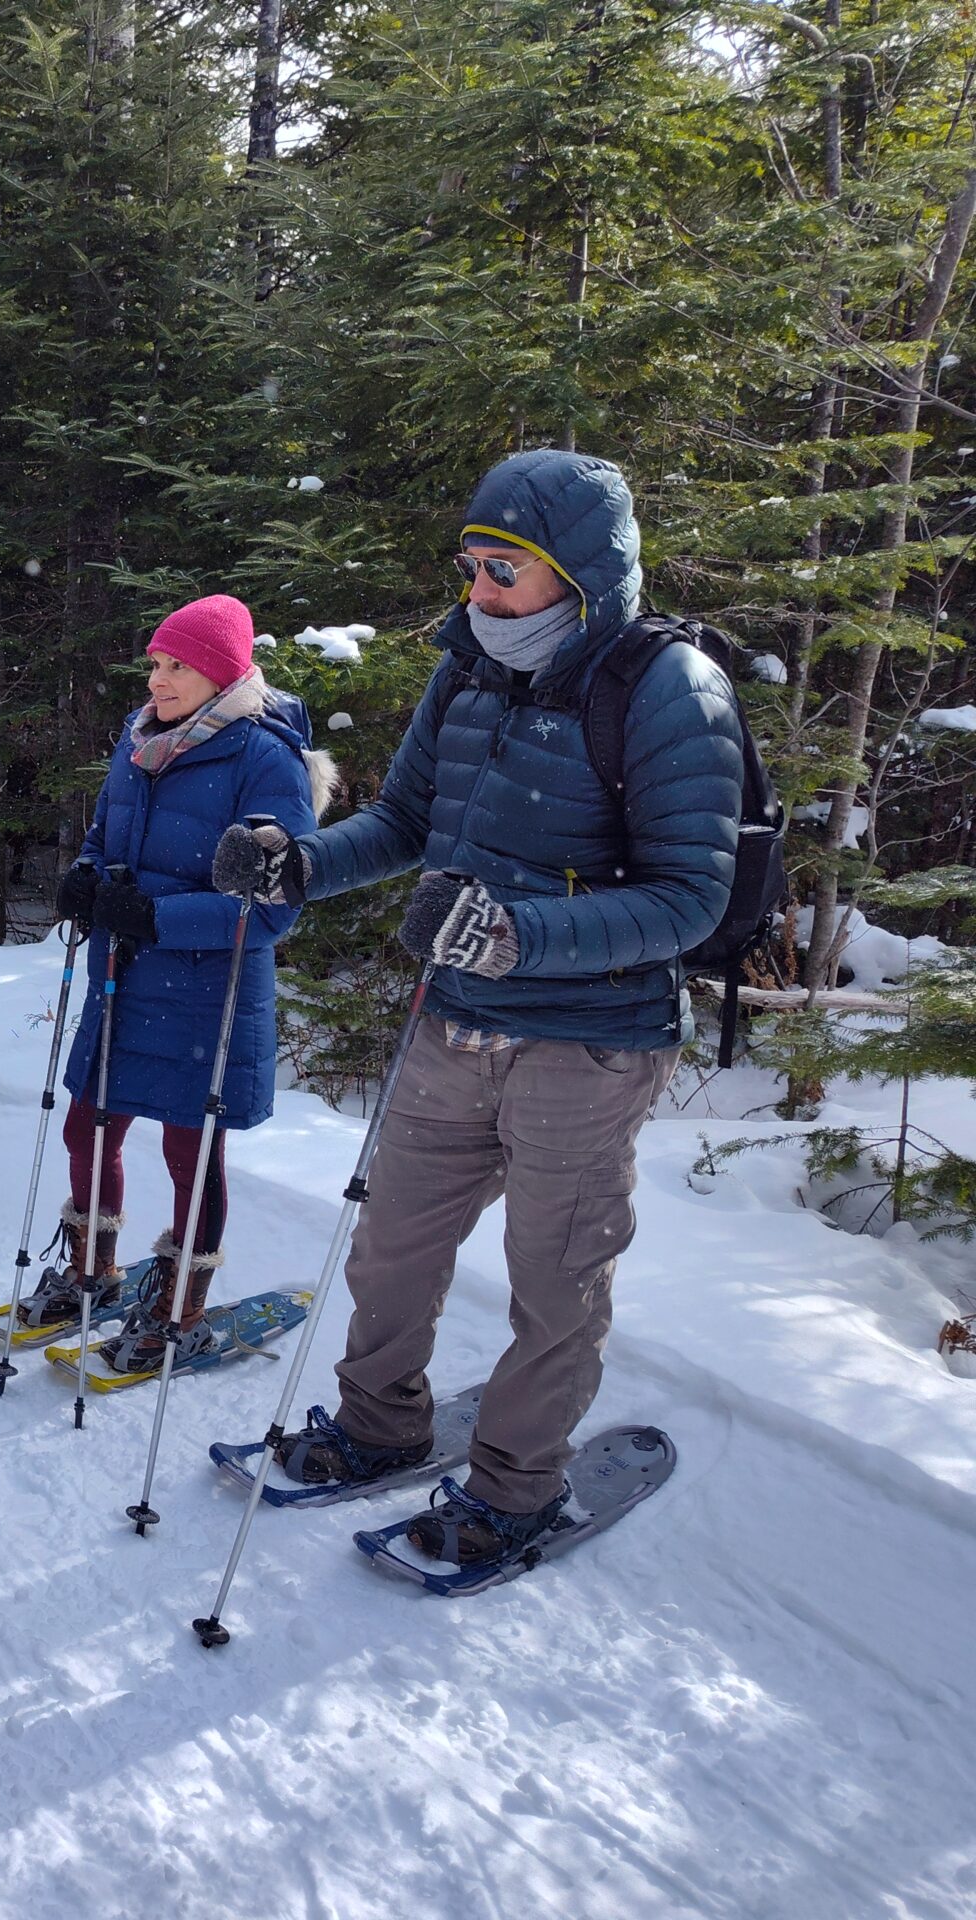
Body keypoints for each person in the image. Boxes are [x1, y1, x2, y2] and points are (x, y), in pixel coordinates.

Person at [212, 449, 743, 1564]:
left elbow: (691, 896)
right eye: (470, 567)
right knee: (392, 1246)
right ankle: (375, 1426)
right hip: (451, 1023)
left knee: (554, 1283)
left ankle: (515, 1487)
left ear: (582, 576)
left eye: (505, 571)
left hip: (588, 1047)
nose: (480, 593)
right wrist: (299, 864)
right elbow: (407, 821)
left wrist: (517, 935)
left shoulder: (666, 688)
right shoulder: (468, 668)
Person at [23, 596, 326, 1363]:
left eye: (176, 667)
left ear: (220, 673)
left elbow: (270, 908)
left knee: (192, 1155)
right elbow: (103, 836)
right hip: (123, 982)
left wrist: (154, 917)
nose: (156, 679)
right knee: (87, 1125)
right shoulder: (141, 740)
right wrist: (85, 881)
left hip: (204, 997)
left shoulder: (266, 759)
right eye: (155, 664)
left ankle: (180, 1305)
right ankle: (91, 1274)